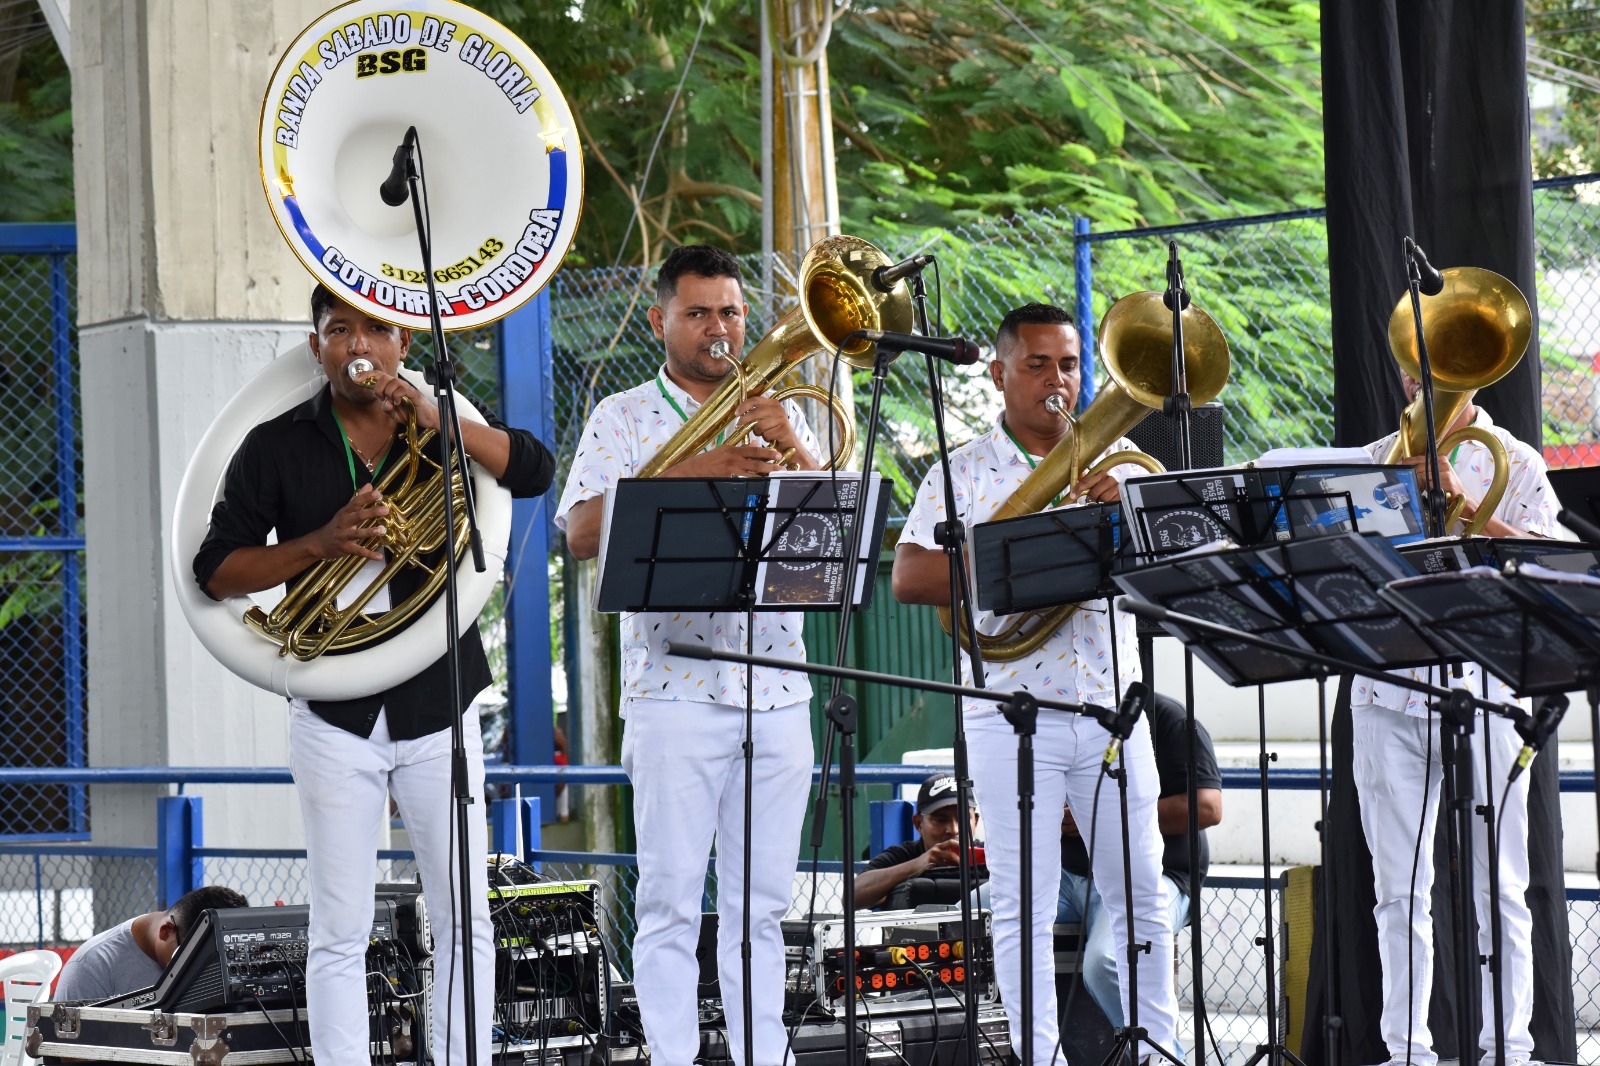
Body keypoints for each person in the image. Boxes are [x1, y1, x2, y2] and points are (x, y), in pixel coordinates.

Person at [192, 284, 555, 1066]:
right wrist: (320, 542)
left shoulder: (442, 425)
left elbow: (534, 469)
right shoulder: (277, 443)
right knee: (339, 928)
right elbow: (215, 570)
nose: (361, 343)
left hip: (440, 701)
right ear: (316, 345)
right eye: (340, 329)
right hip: (335, 710)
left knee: (466, 917)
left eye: (378, 329)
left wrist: (442, 424)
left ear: (404, 346)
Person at [556, 245, 820, 1066]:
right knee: (671, 902)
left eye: (732, 311)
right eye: (699, 312)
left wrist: (799, 451)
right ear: (659, 320)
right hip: (674, 690)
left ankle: (760, 1058)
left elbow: (827, 536)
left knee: (763, 909)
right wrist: (696, 471)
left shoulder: (778, 404)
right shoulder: (623, 414)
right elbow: (580, 532)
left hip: (779, 691)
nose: (720, 328)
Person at [893, 302, 1176, 1065]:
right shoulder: (961, 473)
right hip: (1011, 709)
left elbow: (1177, 568)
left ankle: (1159, 1052)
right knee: (1022, 903)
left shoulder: (1120, 464)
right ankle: (1038, 1059)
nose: (1059, 381)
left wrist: (1131, 522)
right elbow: (911, 576)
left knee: (1143, 893)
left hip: (1114, 708)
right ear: (998, 375)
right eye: (1038, 365)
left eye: (1071, 364)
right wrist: (1027, 549)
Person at [1351, 375, 1558, 1066]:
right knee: (1397, 892)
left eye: (1443, 366)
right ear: (1401, 371)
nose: (1425, 381)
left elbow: (1546, 572)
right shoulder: (1370, 462)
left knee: (1499, 886)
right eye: (1414, 366)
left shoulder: (1517, 460)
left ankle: (1509, 1051)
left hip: (1489, 689)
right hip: (1387, 687)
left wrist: (1468, 509)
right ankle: (1406, 1051)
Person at [1057, 692, 1222, 1033]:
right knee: (962, 919)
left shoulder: (1169, 719)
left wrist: (1100, 816)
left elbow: (1208, 808)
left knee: (1106, 962)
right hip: (1065, 876)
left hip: (1152, 876)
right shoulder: (1061, 716)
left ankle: (1159, 1054)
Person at [53, 886, 249, 1002]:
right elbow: (68, 1054)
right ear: (166, 932)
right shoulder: (92, 968)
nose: (197, 974)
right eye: (189, 959)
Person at [856, 772, 987, 910]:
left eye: (963, 818)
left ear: (976, 821)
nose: (954, 829)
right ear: (919, 824)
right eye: (941, 819)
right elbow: (852, 897)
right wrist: (920, 863)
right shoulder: (904, 856)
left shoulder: (991, 857)